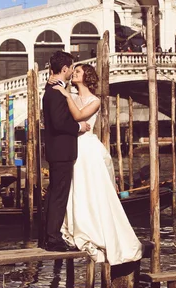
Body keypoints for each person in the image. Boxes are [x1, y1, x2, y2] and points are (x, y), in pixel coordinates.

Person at [51, 63, 143, 264]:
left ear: (87, 77)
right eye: (73, 71)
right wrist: (58, 85)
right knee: (75, 189)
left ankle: (94, 228)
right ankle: (76, 227)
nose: (74, 73)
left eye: (78, 72)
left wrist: (66, 95)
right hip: (72, 146)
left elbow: (78, 116)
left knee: (92, 189)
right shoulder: (70, 95)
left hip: (88, 149)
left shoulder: (95, 101)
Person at [42, 51, 91, 252]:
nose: (72, 71)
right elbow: (61, 122)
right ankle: (53, 239)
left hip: (57, 151)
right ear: (64, 69)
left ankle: (49, 236)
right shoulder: (56, 92)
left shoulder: (52, 89)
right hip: (62, 151)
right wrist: (79, 128)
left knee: (55, 194)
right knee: (58, 195)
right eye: (71, 68)